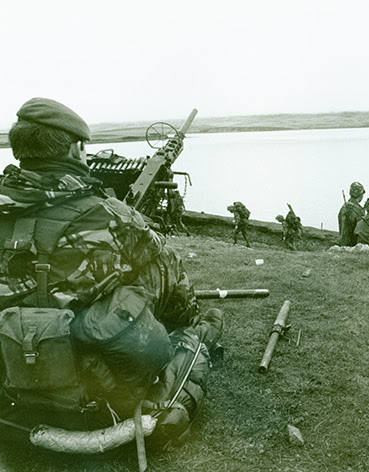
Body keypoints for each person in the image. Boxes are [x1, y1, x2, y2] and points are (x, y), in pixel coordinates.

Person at [0, 98, 223, 447]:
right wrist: (184, 322)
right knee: (161, 268)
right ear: (75, 149)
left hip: (12, 380)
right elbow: (172, 281)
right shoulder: (113, 216)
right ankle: (190, 342)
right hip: (97, 390)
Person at [338, 181, 365, 246]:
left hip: (343, 243)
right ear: (360, 194)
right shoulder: (357, 209)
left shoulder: (344, 207)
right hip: (353, 244)